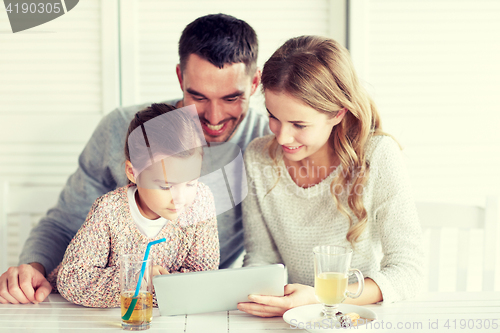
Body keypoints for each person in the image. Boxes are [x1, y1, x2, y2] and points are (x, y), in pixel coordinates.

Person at [0, 13, 271, 305]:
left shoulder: (270, 143)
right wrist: (33, 267)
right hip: (107, 303)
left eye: (231, 98)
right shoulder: (122, 129)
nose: (214, 118)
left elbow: (269, 248)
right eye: (199, 97)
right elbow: (65, 222)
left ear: (255, 83)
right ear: (180, 77)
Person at [237, 36, 424, 317]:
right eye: (273, 116)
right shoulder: (257, 156)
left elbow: (409, 271)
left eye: (299, 124)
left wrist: (321, 297)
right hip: (291, 317)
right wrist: (261, 294)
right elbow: (261, 258)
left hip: (358, 317)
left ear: (337, 113)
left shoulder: (377, 155)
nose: (282, 136)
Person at [46, 103, 218, 307]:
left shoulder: (200, 201)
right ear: (132, 172)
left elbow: (203, 279)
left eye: (191, 182)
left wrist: (153, 290)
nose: (180, 198)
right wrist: (136, 279)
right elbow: (72, 281)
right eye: (166, 186)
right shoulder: (109, 211)